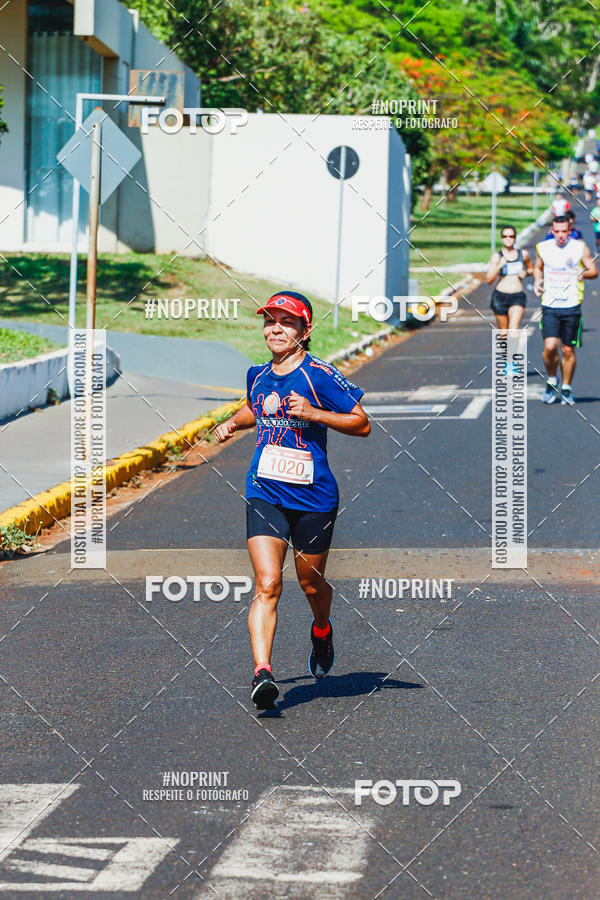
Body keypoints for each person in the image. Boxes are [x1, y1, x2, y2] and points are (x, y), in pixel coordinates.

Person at [214, 291, 371, 709]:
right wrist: (233, 421)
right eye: (270, 321)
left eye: (286, 322)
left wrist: (315, 413)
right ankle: (262, 674)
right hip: (264, 489)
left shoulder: (319, 375)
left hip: (314, 497)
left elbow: (362, 423)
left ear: (306, 330)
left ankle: (322, 628)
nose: (276, 329)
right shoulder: (257, 374)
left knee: (310, 583)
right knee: (268, 583)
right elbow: (258, 408)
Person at [534, 216, 598, 405]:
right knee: (550, 346)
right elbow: (538, 268)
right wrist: (538, 280)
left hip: (571, 306)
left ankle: (567, 387)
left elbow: (593, 270)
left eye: (564, 231)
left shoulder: (579, 247)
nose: (561, 235)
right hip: (550, 305)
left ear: (569, 231)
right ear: (552, 231)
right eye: (557, 231)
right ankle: (552, 379)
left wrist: (582, 274)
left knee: (568, 350)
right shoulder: (544, 248)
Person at [486, 225, 533, 331]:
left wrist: (525, 273)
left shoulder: (523, 254)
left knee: (513, 331)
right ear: (502, 238)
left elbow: (531, 270)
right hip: (500, 296)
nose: (508, 239)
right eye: (505, 236)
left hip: (517, 296)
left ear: (515, 237)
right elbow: (489, 280)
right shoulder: (497, 256)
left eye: (511, 236)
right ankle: (504, 347)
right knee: (503, 333)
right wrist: (499, 266)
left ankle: (514, 348)